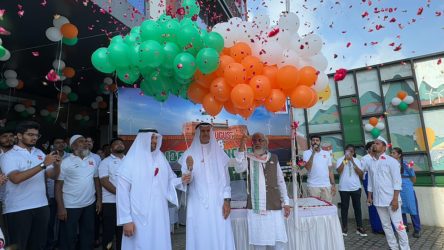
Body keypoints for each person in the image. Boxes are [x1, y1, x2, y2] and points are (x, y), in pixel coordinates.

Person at [117, 129, 190, 250]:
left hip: (159, 214)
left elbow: (170, 180)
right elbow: (122, 193)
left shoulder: (161, 158)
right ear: (142, 139)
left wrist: (181, 180)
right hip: (137, 216)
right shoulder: (130, 161)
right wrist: (126, 220)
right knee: (139, 244)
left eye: (156, 138)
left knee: (159, 243)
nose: (155, 141)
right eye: (151, 138)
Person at [0, 121, 61, 250]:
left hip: (41, 206)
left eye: (36, 135)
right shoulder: (8, 156)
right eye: (30, 134)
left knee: (38, 245)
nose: (34, 138)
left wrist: (56, 164)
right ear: (19, 136)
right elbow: (15, 178)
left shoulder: (39, 152)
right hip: (18, 208)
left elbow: (53, 175)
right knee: (19, 246)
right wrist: (43, 165)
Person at [178, 123, 235, 250]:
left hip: (218, 203)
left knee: (220, 232)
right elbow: (186, 181)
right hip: (198, 204)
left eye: (207, 131)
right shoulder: (189, 154)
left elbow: (226, 181)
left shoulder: (220, 154)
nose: (205, 133)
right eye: (202, 131)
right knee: (200, 234)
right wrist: (189, 168)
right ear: (198, 133)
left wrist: (227, 201)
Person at [235, 132, 290, 250]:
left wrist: (286, 202)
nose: (257, 143)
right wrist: (241, 146)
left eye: (260, 140)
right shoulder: (248, 158)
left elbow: (280, 181)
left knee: (278, 242)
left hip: (274, 206)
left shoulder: (274, 158)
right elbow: (239, 168)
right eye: (254, 141)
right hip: (256, 209)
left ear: (266, 143)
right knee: (259, 243)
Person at [56, 135, 102, 250]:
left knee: (88, 235)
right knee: (68, 237)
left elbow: (96, 180)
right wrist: (61, 207)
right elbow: (58, 186)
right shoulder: (65, 162)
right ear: (73, 146)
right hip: (70, 206)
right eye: (81, 141)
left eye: (86, 141)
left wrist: (99, 200)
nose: (85, 143)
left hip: (89, 204)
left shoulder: (92, 160)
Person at [367, 137, 410, 250]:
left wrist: (395, 199)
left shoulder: (392, 161)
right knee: (386, 226)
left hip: (392, 200)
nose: (374, 145)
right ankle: (393, 247)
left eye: (377, 143)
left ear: (384, 147)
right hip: (378, 200)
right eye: (374, 144)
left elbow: (397, 182)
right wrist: (369, 196)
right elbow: (371, 181)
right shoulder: (371, 162)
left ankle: (405, 248)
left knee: (399, 225)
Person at [99, 138, 125, 250]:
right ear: (111, 149)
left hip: (126, 203)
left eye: (121, 143)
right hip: (110, 203)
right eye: (116, 144)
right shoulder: (105, 162)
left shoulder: (130, 160)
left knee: (123, 233)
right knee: (109, 232)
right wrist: (121, 194)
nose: (119, 145)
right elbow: (104, 181)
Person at [336, 144, 366, 237]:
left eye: (351, 151)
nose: (350, 153)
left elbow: (361, 174)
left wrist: (352, 162)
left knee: (357, 208)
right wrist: (345, 160)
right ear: (345, 151)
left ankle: (359, 227)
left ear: (354, 152)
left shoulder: (357, 160)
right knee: (344, 208)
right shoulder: (340, 160)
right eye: (348, 151)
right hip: (344, 188)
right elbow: (339, 171)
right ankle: (344, 227)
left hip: (356, 188)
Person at [391, 147, 421, 238]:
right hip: (396, 189)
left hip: (407, 189)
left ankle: (417, 229)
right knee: (401, 209)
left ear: (399, 155)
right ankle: (404, 227)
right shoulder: (391, 165)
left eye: (394, 153)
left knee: (412, 208)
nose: (392, 154)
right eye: (391, 153)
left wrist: (407, 184)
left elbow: (413, 178)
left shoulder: (406, 164)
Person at [47, 136, 70, 249]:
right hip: (51, 193)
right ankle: (51, 244)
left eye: (62, 142)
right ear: (53, 145)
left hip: (66, 193)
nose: (60, 144)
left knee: (64, 221)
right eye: (57, 142)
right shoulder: (47, 157)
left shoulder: (70, 156)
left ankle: (62, 243)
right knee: (50, 222)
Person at [303, 135, 336, 202]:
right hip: (313, 186)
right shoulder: (306, 153)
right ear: (311, 142)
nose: (315, 142)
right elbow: (308, 168)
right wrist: (313, 153)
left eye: (317, 140)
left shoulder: (327, 153)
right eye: (313, 140)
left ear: (320, 142)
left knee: (327, 208)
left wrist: (333, 185)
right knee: (314, 209)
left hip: (326, 185)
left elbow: (330, 170)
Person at [361, 141, 383, 234]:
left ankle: (382, 225)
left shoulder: (379, 157)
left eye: (377, 145)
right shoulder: (365, 158)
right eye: (373, 146)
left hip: (379, 181)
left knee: (380, 203)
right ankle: (376, 227)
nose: (375, 148)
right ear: (369, 149)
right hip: (368, 180)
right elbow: (362, 171)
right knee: (372, 204)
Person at [85, 136, 102, 247]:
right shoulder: (71, 158)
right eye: (85, 141)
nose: (87, 143)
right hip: (77, 195)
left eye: (90, 141)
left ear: (93, 143)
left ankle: (94, 239)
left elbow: (99, 177)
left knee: (94, 218)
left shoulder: (96, 157)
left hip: (94, 192)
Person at [0, 129, 14, 234]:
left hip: (17, 199)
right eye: (5, 136)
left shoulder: (19, 153)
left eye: (11, 136)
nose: (8, 139)